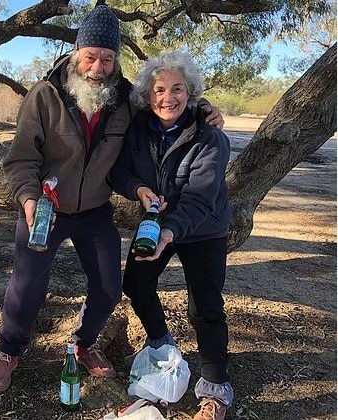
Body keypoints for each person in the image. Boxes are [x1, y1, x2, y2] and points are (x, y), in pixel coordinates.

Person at [0, 5, 223, 393]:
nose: (98, 67)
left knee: (111, 287)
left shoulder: (125, 98)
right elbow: (22, 159)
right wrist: (28, 199)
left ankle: (82, 344)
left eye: (108, 59)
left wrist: (205, 108)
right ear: (76, 53)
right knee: (27, 286)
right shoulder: (44, 96)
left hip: (94, 211)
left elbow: (168, 100)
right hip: (45, 210)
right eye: (91, 56)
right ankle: (9, 350)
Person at [111, 50, 233, 420]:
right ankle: (162, 344)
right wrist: (137, 189)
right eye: (160, 89)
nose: (169, 98)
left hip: (203, 229)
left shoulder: (210, 137)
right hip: (156, 221)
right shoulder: (138, 129)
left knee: (206, 306)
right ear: (148, 96)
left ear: (191, 92)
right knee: (135, 282)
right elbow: (118, 171)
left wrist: (169, 232)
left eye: (178, 89)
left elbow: (199, 199)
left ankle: (215, 389)